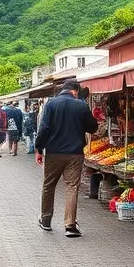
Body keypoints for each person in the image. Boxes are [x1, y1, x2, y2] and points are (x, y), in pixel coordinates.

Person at [36, 79, 99, 237]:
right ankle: (70, 225)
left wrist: (39, 148)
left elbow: (44, 128)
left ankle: (46, 220)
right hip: (75, 154)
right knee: (72, 187)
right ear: (75, 91)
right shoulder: (81, 105)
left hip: (53, 153)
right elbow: (92, 128)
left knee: (49, 186)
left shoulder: (51, 104)